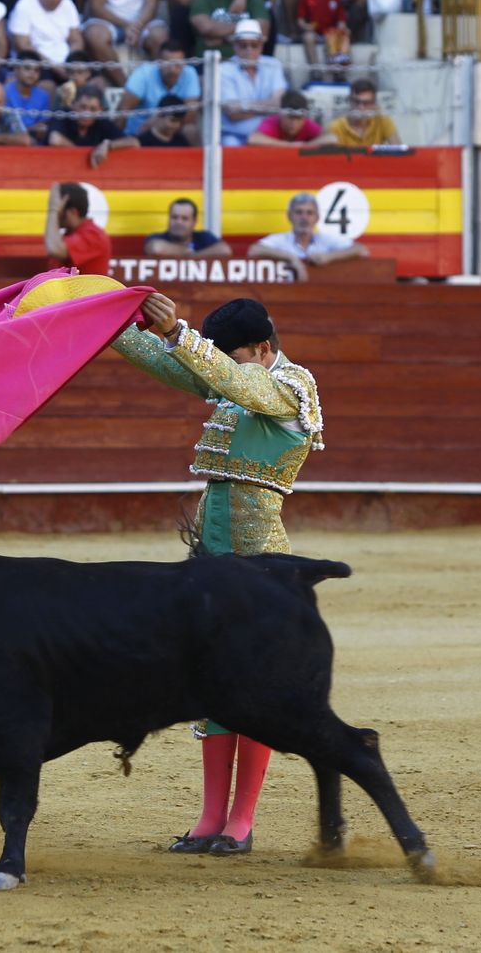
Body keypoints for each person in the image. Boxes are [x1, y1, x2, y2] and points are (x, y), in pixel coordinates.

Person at [108, 292, 325, 857]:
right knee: (210, 681)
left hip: (260, 561)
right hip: (211, 553)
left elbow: (236, 381)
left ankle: (241, 822)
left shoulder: (290, 386)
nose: (228, 364)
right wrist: (110, 323)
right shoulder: (235, 375)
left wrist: (178, 333)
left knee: (253, 685)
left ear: (263, 347)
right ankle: (209, 818)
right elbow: (177, 368)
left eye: (237, 355)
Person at [247, 191, 368, 281]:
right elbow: (254, 250)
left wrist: (329, 256)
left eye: (309, 213)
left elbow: (361, 250)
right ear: (289, 216)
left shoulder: (325, 240)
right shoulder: (281, 239)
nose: (304, 218)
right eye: (299, 212)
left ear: (317, 218)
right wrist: (291, 258)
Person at [217, 18, 285, 146]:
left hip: (270, 135)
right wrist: (268, 107)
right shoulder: (224, 70)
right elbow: (233, 113)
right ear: (235, 46)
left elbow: (279, 104)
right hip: (235, 135)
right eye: (243, 45)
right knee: (230, 145)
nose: (249, 51)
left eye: (254, 45)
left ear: (261, 46)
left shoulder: (273, 64)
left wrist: (244, 107)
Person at [117, 41, 199, 137]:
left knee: (190, 131)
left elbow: (190, 116)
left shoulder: (189, 73)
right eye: (168, 64)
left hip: (173, 132)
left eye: (178, 65)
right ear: (158, 62)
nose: (172, 70)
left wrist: (163, 122)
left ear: (184, 63)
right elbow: (123, 111)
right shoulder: (143, 74)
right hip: (140, 134)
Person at [8, 0, 83, 66]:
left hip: (66, 62)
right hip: (36, 63)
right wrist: (55, 67)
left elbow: (76, 40)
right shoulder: (24, 5)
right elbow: (23, 45)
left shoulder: (67, 3)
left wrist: (71, 63)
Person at [49, 87, 137, 166]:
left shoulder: (102, 121)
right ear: (73, 105)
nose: (87, 113)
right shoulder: (63, 114)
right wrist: (85, 155)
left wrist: (108, 145)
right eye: (82, 107)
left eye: (93, 109)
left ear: (100, 110)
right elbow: (56, 140)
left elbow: (134, 142)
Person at [296, 0, 349, 81]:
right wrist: (306, 26)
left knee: (340, 34)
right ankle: (315, 70)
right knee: (308, 37)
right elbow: (300, 20)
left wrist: (341, 28)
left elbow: (341, 20)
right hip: (315, 33)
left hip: (330, 34)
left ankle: (338, 71)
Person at [42, 180, 109, 276]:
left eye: (59, 208)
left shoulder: (94, 236)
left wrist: (53, 210)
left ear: (72, 212)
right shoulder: (70, 235)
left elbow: (55, 250)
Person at [322, 77, 399, 146]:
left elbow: (399, 150)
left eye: (366, 103)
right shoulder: (336, 127)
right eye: (356, 102)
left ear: (374, 104)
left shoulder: (382, 119)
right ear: (349, 100)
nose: (361, 107)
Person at [143, 196, 227, 256]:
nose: (178, 222)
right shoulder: (158, 237)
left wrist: (193, 257)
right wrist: (188, 252)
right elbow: (155, 248)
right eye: (174, 217)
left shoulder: (203, 237)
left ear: (194, 222)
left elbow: (225, 250)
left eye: (184, 219)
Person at [4, 50, 53, 141]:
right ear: (16, 69)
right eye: (27, 68)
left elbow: (42, 128)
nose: (32, 73)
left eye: (36, 70)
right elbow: (6, 128)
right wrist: (31, 129)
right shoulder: (5, 92)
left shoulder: (43, 96)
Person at [248, 89, 323, 146]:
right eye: (290, 117)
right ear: (281, 115)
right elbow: (253, 139)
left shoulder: (307, 123)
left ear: (304, 118)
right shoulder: (272, 122)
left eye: (298, 118)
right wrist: (289, 146)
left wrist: (307, 146)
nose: (293, 123)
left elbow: (328, 138)